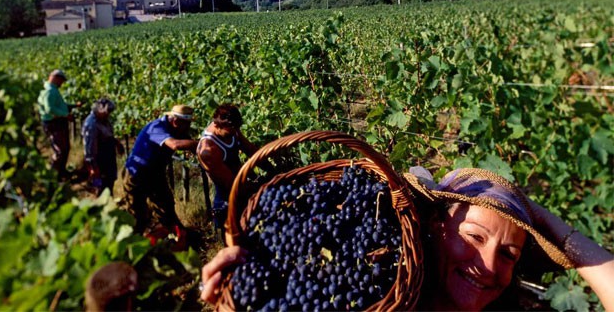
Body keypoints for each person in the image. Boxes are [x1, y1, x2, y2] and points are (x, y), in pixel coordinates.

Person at [200, 167, 614, 311]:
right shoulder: (378, 299)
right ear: (435, 226)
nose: (488, 264)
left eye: (508, 253)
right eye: (473, 237)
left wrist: (545, 222)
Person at [122, 104, 198, 234]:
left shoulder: (178, 129)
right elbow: (174, 145)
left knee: (166, 206)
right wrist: (200, 143)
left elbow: (189, 143)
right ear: (175, 121)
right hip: (136, 174)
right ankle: (132, 246)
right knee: (137, 215)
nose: (188, 127)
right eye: (186, 123)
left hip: (155, 174)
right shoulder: (157, 128)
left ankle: (173, 237)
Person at [196, 104, 258, 229]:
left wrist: (272, 169)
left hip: (241, 183)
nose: (235, 133)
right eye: (231, 132)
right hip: (227, 195)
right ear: (217, 126)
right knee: (233, 233)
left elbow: (250, 150)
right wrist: (257, 187)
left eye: (237, 129)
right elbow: (231, 183)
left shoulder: (230, 127)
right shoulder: (209, 150)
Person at [37, 69, 81, 179]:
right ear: (55, 78)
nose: (62, 83)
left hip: (55, 122)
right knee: (60, 150)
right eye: (61, 81)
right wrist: (66, 115)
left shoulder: (51, 89)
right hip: (54, 124)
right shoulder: (50, 91)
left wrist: (73, 106)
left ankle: (61, 172)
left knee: (64, 148)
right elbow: (50, 109)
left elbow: (58, 105)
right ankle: (53, 175)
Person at [82, 98, 124, 196]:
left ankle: (108, 202)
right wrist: (93, 167)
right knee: (100, 185)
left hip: (108, 158)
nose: (108, 114)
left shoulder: (103, 120)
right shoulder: (91, 124)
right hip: (99, 160)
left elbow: (108, 135)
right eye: (107, 111)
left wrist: (117, 143)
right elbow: (89, 147)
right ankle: (100, 204)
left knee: (110, 181)